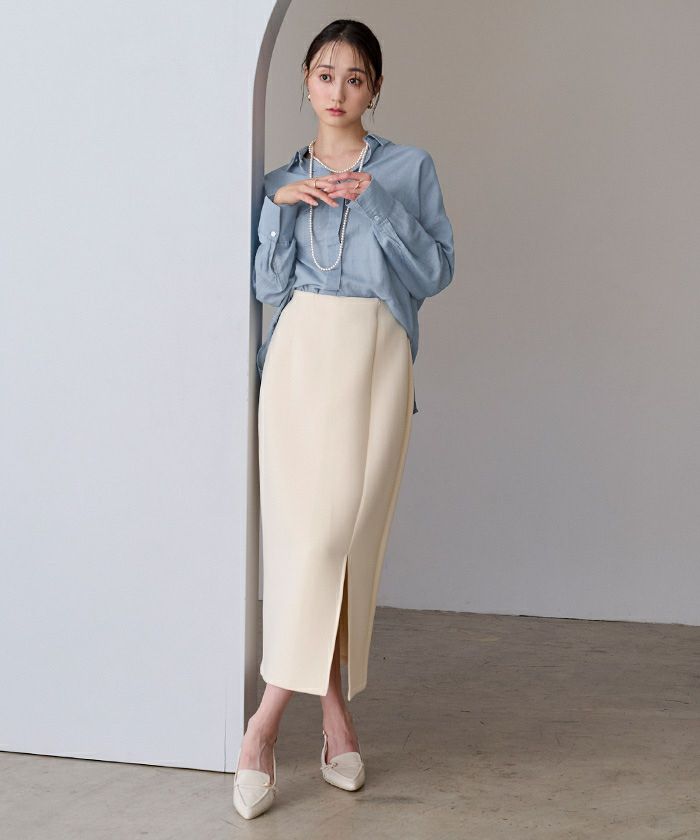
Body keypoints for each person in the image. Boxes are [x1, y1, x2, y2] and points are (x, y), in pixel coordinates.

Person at [233, 18, 455, 820]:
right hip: (300, 362)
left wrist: (379, 203)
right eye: (325, 75)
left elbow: (436, 271)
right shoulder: (277, 181)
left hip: (378, 360)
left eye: (354, 78)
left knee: (347, 542)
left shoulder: (407, 168)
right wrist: (280, 207)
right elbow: (268, 289)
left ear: (375, 89)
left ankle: (298, 722)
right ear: (305, 79)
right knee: (312, 543)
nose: (338, 91)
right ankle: (283, 727)